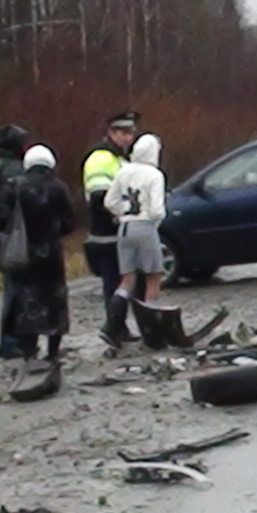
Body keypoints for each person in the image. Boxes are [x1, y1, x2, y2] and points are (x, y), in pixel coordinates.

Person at [0, 145, 77, 364]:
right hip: (51, 253)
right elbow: (70, 222)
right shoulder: (58, 187)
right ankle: (53, 351)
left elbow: (1, 219)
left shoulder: (13, 186)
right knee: (54, 300)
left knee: (25, 301)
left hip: (22, 254)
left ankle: (28, 351)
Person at [83, 111, 141, 343]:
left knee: (122, 281)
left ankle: (119, 327)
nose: (128, 138)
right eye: (124, 133)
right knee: (114, 282)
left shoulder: (121, 159)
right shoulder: (100, 159)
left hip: (119, 232)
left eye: (131, 133)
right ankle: (114, 327)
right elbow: (100, 197)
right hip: (107, 233)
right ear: (111, 133)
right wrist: (127, 208)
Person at [105, 133, 167, 339]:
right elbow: (157, 210)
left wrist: (124, 211)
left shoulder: (124, 171)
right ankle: (152, 328)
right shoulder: (154, 175)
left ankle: (111, 324)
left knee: (127, 279)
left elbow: (109, 201)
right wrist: (152, 217)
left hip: (124, 229)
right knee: (153, 277)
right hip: (145, 227)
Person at [0, 124, 31, 360]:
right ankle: (17, 342)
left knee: (10, 290)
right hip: (19, 236)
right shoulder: (19, 171)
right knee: (20, 292)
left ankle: (9, 341)